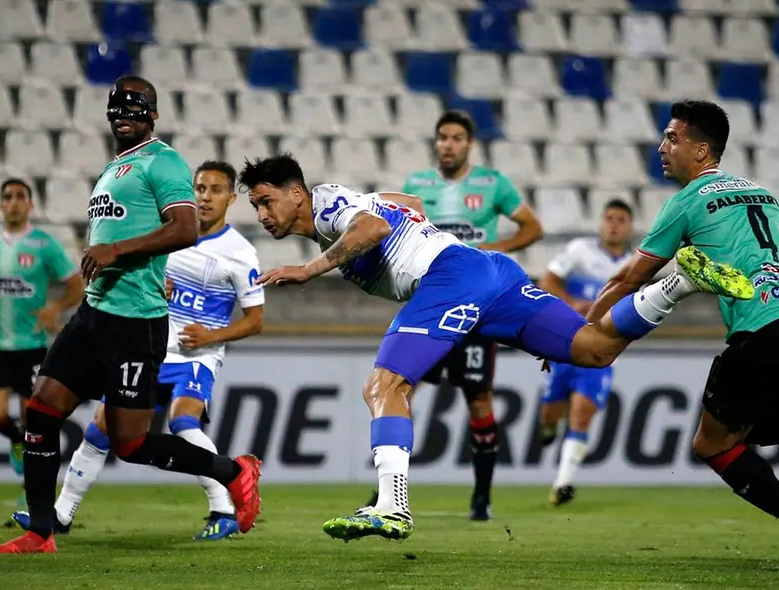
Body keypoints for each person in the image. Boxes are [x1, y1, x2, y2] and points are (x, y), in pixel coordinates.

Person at [239, 152, 752, 542]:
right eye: (255, 205)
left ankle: (391, 505)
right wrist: (395, 215)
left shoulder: (328, 204)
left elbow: (373, 226)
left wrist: (309, 270)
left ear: (297, 193)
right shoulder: (345, 203)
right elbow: (407, 206)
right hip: (489, 272)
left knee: (384, 384)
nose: (261, 213)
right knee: (594, 348)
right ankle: (679, 282)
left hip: (450, 277)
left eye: (266, 200)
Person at [0, 76, 261, 555]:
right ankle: (41, 532)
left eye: (136, 109)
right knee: (41, 408)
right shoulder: (114, 168)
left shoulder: (164, 161)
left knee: (131, 445)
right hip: (95, 314)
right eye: (118, 108)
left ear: (153, 115)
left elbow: (185, 229)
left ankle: (234, 472)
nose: (125, 115)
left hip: (137, 322)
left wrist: (116, 249)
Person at [585, 100, 779, 522]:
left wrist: (580, 331)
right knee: (751, 428)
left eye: (672, 138)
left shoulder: (687, 202)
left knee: (713, 444)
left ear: (701, 151)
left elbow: (627, 280)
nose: (661, 147)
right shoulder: (767, 196)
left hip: (760, 334)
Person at [374, 109, 545, 521]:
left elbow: (532, 227)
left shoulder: (492, 184)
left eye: (455, 138)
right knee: (398, 388)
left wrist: (494, 254)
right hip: (431, 303)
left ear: (469, 144)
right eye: (442, 138)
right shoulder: (417, 186)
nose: (447, 145)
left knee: (479, 400)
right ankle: (386, 490)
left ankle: (482, 497)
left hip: (474, 307)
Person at [0, 178, 84, 501]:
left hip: (31, 345)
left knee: (35, 422)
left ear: (31, 204)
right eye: (8, 197)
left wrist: (55, 308)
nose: (14, 202)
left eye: (20, 197)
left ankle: (29, 492)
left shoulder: (44, 245)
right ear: (0, 205)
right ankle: (16, 441)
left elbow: (76, 284)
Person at [537, 199, 634, 506]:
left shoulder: (635, 265)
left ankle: (563, 483)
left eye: (621, 219)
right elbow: (547, 280)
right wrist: (569, 304)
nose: (614, 224)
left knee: (581, 412)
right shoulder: (580, 250)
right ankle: (550, 426)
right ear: (601, 223)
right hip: (565, 344)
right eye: (609, 218)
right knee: (551, 412)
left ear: (630, 227)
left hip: (600, 352)